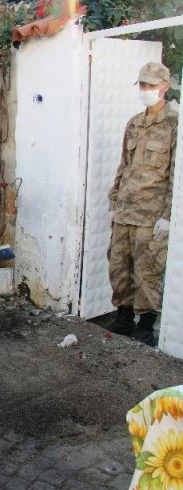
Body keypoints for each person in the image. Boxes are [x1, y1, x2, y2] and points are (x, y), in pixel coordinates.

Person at [106, 61, 177, 346]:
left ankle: (145, 326)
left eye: (151, 85)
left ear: (165, 87)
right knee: (118, 264)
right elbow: (124, 165)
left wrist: (169, 214)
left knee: (147, 269)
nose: (146, 90)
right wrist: (114, 199)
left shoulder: (175, 124)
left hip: (151, 215)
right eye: (143, 85)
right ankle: (124, 317)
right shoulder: (134, 123)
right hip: (125, 210)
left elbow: (176, 174)